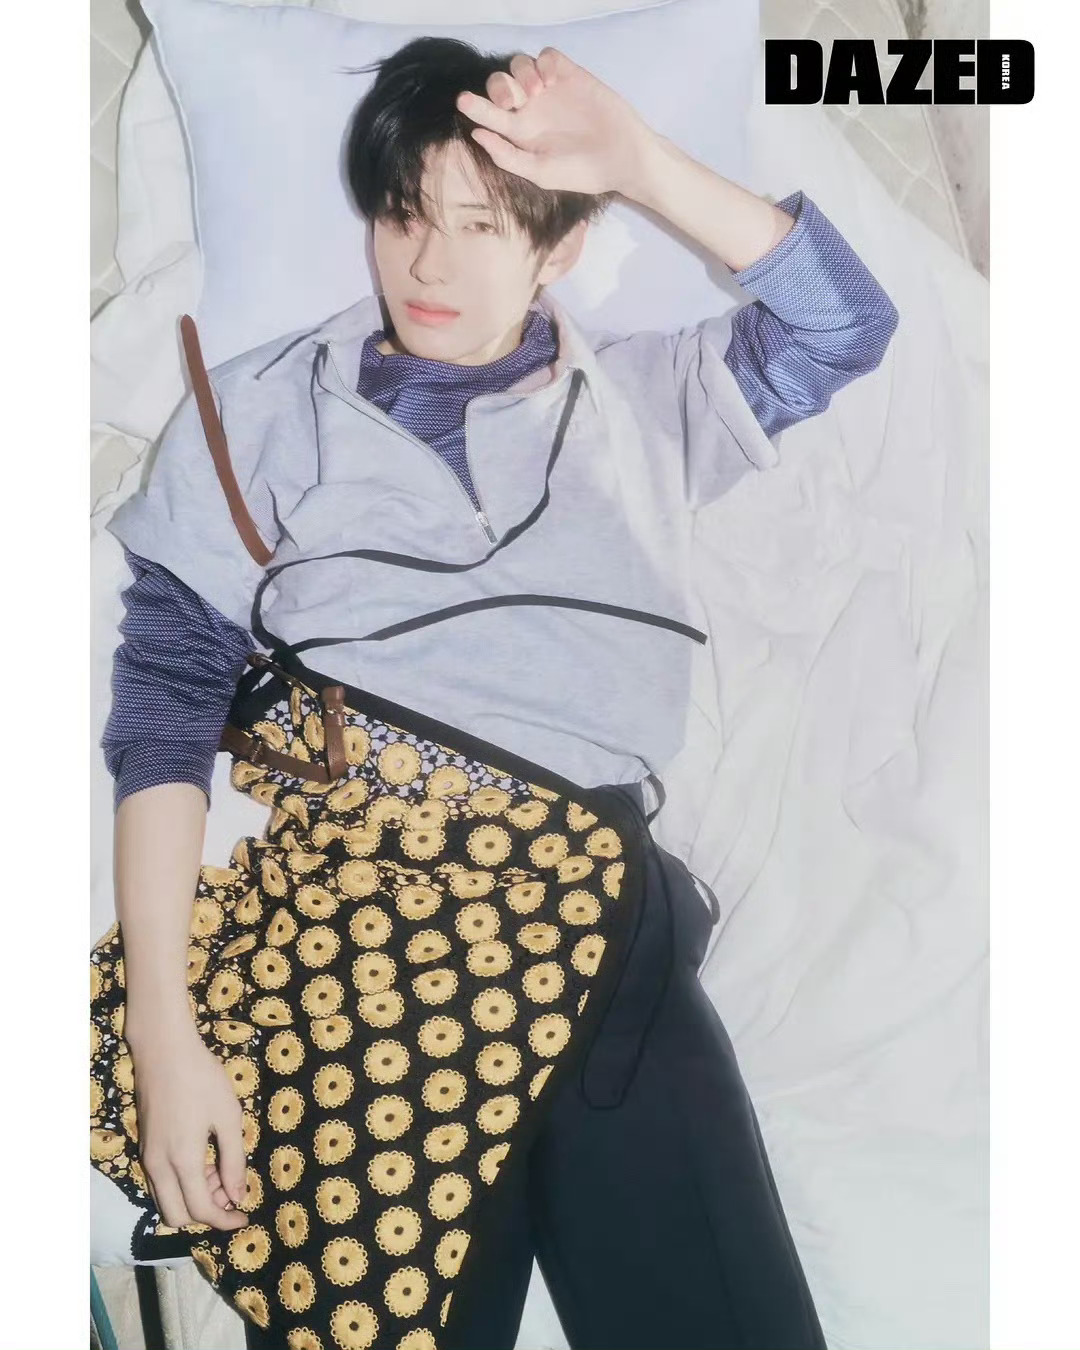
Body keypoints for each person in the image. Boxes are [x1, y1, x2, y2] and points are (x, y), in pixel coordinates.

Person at [101, 36, 898, 1350]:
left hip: (601, 917)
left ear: (561, 246)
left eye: (480, 225)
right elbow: (165, 706)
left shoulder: (650, 403)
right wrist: (164, 1032)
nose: (427, 264)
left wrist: (634, 159)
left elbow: (844, 323)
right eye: (404, 215)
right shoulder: (259, 415)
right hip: (365, 929)